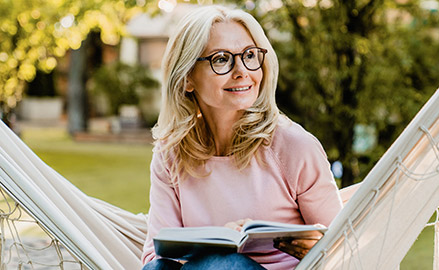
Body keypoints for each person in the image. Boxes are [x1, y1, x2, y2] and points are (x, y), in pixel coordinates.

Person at [141, 4, 343, 270]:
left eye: (249, 55)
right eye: (222, 59)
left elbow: (345, 249)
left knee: (224, 266)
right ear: (187, 78)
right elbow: (155, 257)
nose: (242, 71)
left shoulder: (294, 147)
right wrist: (215, 244)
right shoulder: (171, 154)